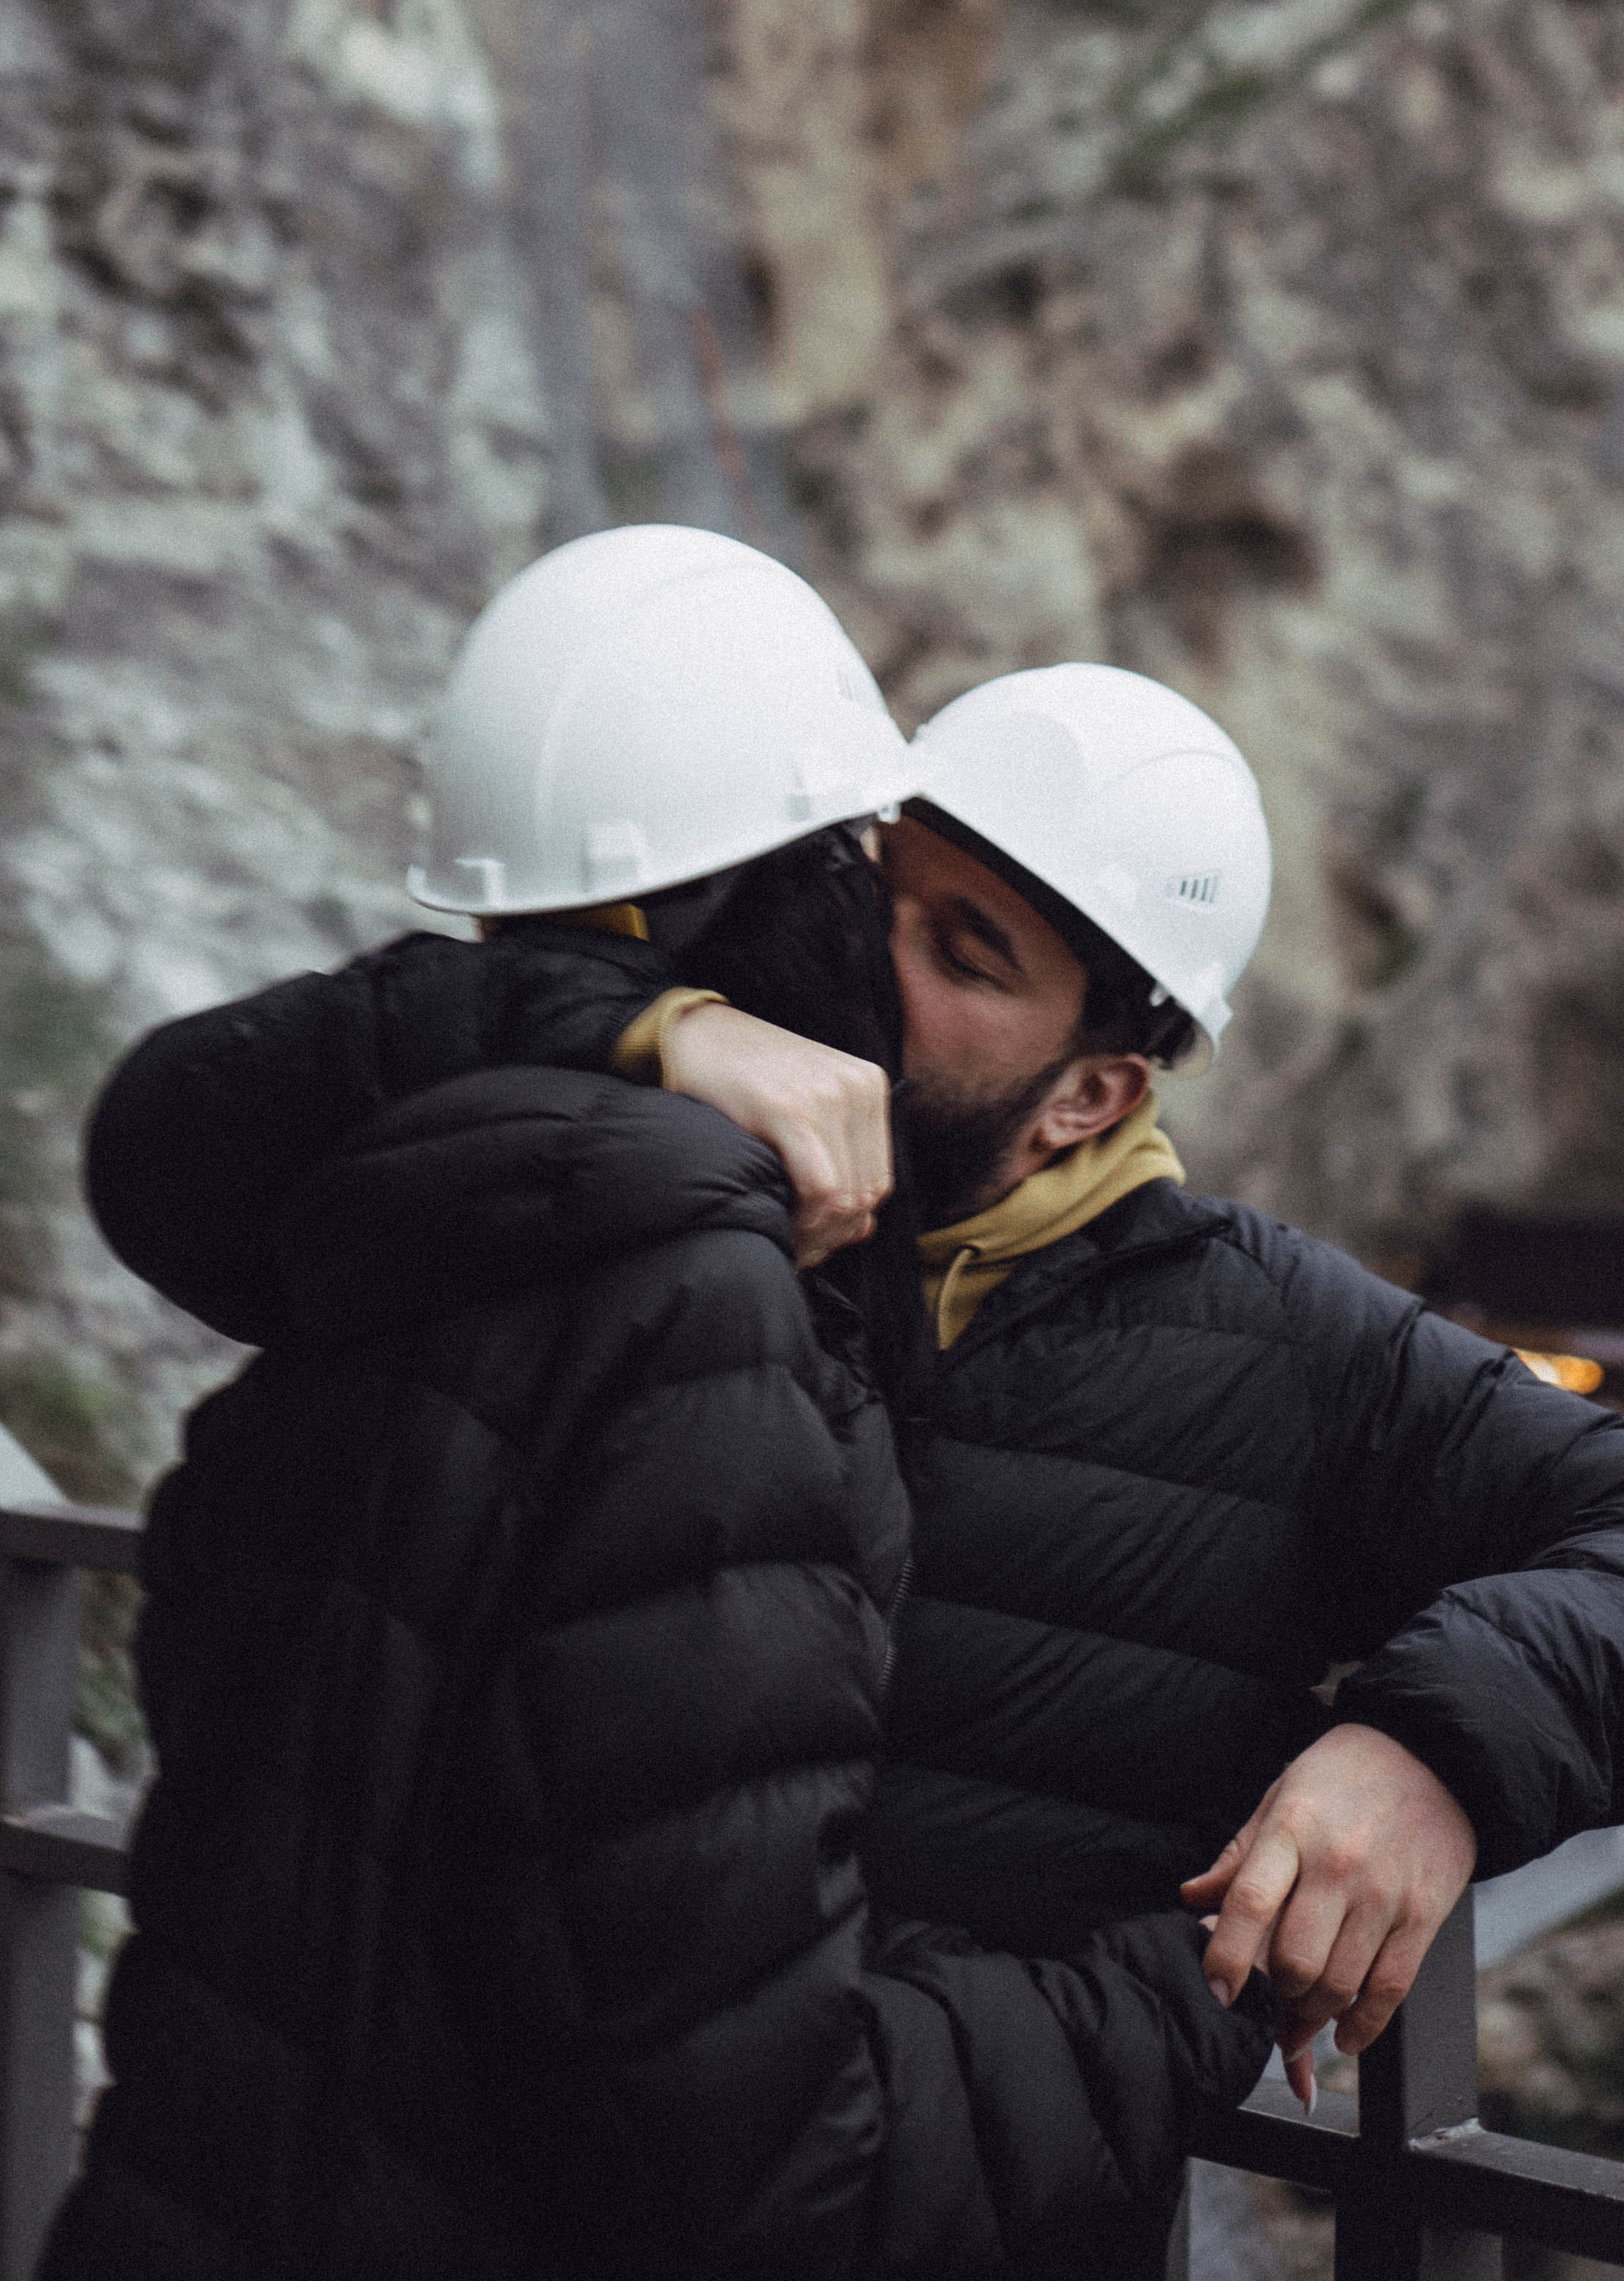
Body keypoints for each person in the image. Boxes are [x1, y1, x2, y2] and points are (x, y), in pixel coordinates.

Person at [68, 555, 1624, 2281]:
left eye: (963, 955)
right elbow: (178, 1140)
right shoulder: (664, 1200)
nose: (869, 968)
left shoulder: (1278, 1348)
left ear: (1090, 1094)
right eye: (874, 893)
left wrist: (1429, 1749)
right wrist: (636, 1023)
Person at [44, 530, 1272, 2281]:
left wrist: (631, 1026)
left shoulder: (381, 1207)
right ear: (796, 898)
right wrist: (1196, 1984)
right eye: (863, 872)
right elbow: (765, 2162)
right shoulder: (700, 1311)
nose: (884, 941)